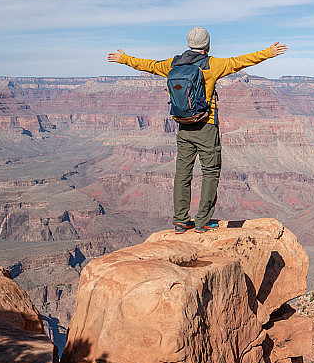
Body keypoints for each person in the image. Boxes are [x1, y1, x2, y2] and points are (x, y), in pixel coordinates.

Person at [107, 27, 287, 233]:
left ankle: (181, 220)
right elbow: (241, 61)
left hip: (183, 125)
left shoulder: (173, 64)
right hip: (206, 126)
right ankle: (203, 220)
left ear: (189, 44)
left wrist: (124, 58)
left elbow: (148, 65)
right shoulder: (213, 64)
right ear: (207, 45)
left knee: (183, 172)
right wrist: (268, 52)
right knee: (210, 171)